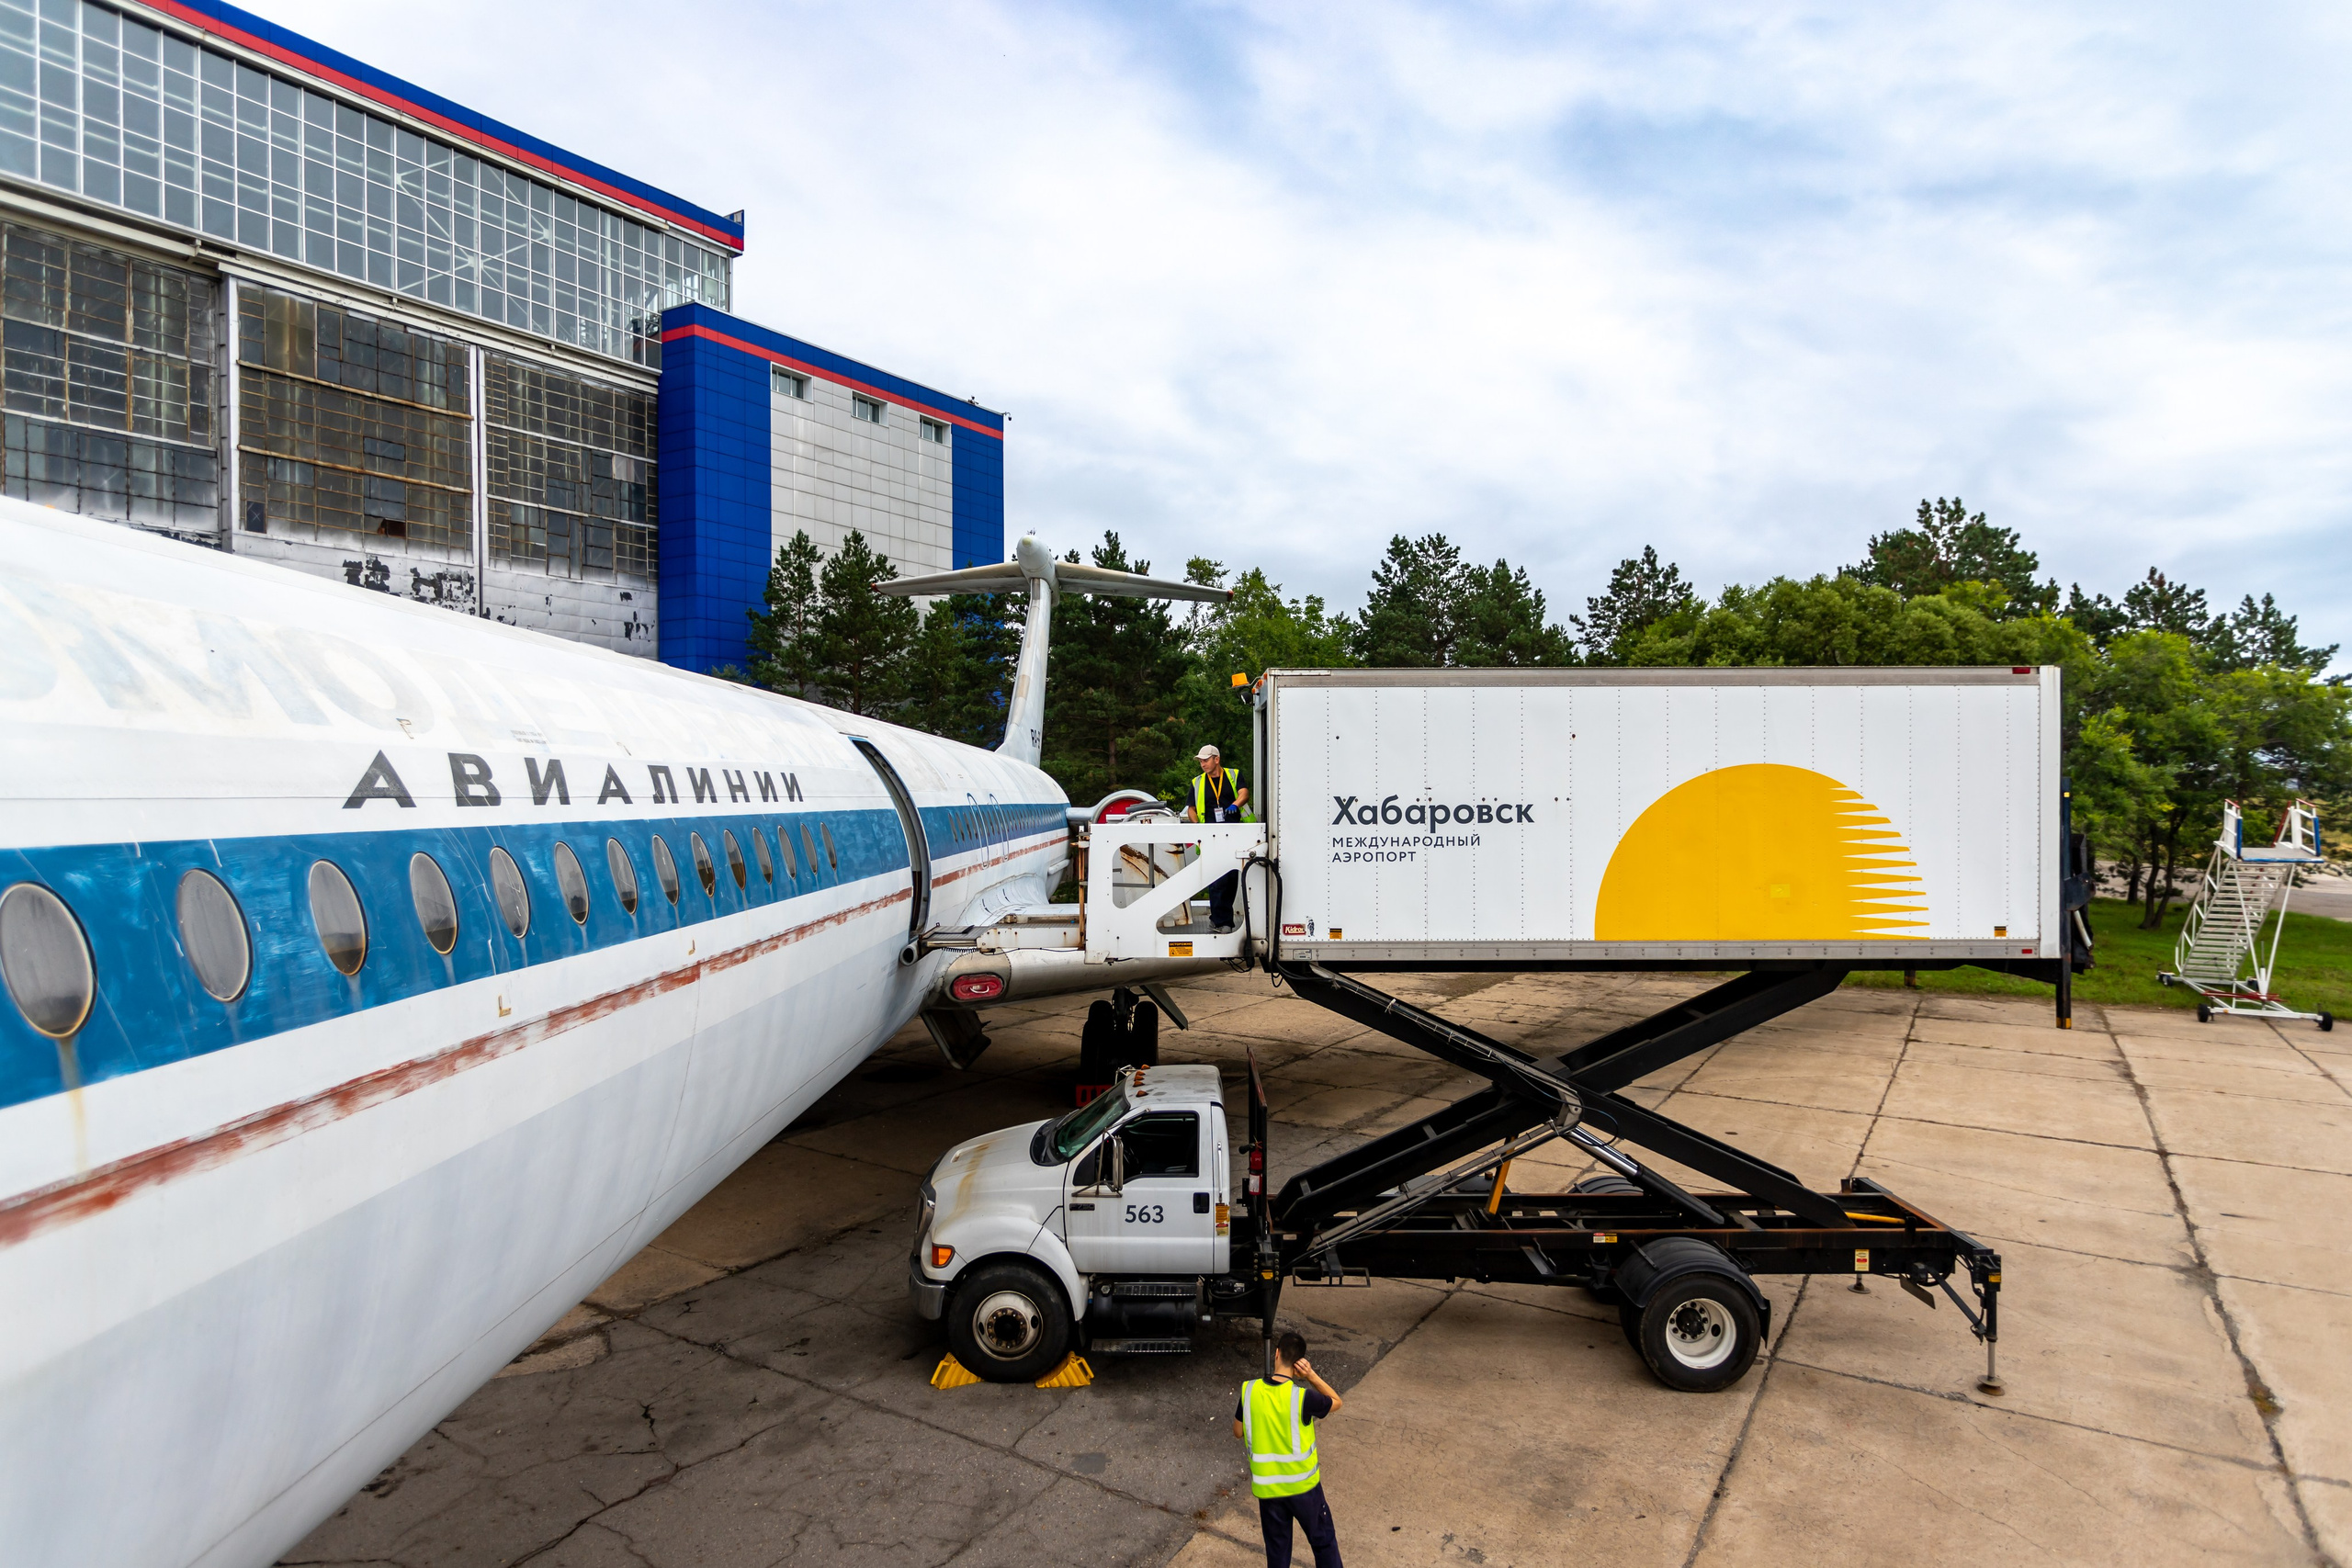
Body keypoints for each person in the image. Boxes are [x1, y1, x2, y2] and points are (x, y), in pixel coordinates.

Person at [1234, 1331, 1344, 1568]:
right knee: (1323, 1543)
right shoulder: (1303, 1398)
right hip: (1304, 1490)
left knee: (1278, 1553)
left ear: (1276, 1354)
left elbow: (1238, 1431)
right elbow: (1336, 1401)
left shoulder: (1249, 1391)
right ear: (1298, 1365)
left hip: (1269, 1491)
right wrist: (1312, 1376)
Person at [1182, 743, 1249, 932]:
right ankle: (1221, 922)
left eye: (1205, 760)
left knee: (1231, 878)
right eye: (1200, 761)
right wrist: (1197, 828)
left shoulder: (1234, 775)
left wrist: (1235, 805)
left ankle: (1223, 919)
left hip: (1234, 833)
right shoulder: (1197, 782)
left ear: (1216, 759)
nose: (1202, 764)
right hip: (1210, 836)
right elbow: (1191, 809)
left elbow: (1244, 793)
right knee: (1216, 878)